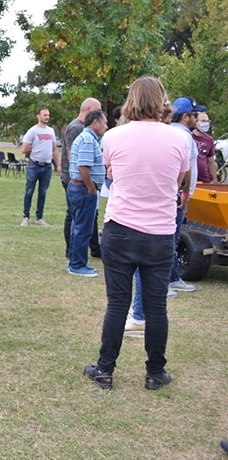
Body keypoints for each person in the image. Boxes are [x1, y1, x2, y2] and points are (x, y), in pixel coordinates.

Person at [83, 76, 190, 391]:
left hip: (121, 229)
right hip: (159, 232)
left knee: (117, 303)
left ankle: (105, 370)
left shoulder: (114, 135)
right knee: (156, 306)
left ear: (131, 101)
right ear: (161, 101)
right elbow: (179, 179)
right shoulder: (179, 139)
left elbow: (112, 172)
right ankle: (155, 373)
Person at [66, 110, 108, 277]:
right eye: (104, 123)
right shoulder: (88, 140)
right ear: (95, 122)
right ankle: (77, 265)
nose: (106, 126)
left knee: (79, 226)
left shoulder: (86, 138)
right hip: (83, 189)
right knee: (83, 228)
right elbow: (83, 167)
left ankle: (77, 261)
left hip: (79, 188)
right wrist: (91, 188)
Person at [168, 97, 203, 294]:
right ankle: (169, 279)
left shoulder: (169, 132)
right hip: (177, 194)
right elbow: (186, 167)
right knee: (171, 238)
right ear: (185, 117)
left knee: (171, 237)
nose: (196, 119)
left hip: (172, 192)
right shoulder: (184, 136)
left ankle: (172, 277)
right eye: (194, 115)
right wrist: (185, 192)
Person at [61, 98, 102, 258]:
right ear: (89, 109)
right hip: (76, 180)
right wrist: (87, 184)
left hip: (83, 180)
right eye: (97, 110)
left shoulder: (83, 128)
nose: (99, 114)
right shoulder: (76, 128)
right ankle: (72, 250)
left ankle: (92, 249)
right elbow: (74, 158)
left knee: (89, 215)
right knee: (74, 215)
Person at [20, 107, 59, 227]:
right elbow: (24, 149)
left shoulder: (51, 131)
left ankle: (39, 217)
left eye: (48, 115)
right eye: (44, 115)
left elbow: (54, 149)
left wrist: (58, 165)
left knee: (43, 192)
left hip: (47, 166)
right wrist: (35, 148)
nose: (47, 117)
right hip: (34, 165)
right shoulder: (33, 131)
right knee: (29, 191)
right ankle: (26, 217)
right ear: (38, 116)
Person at [193, 112, 217, 183]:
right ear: (196, 121)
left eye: (207, 121)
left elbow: (211, 161)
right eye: (203, 121)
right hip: (191, 180)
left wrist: (214, 179)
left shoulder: (209, 140)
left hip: (204, 180)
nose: (206, 123)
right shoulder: (188, 136)